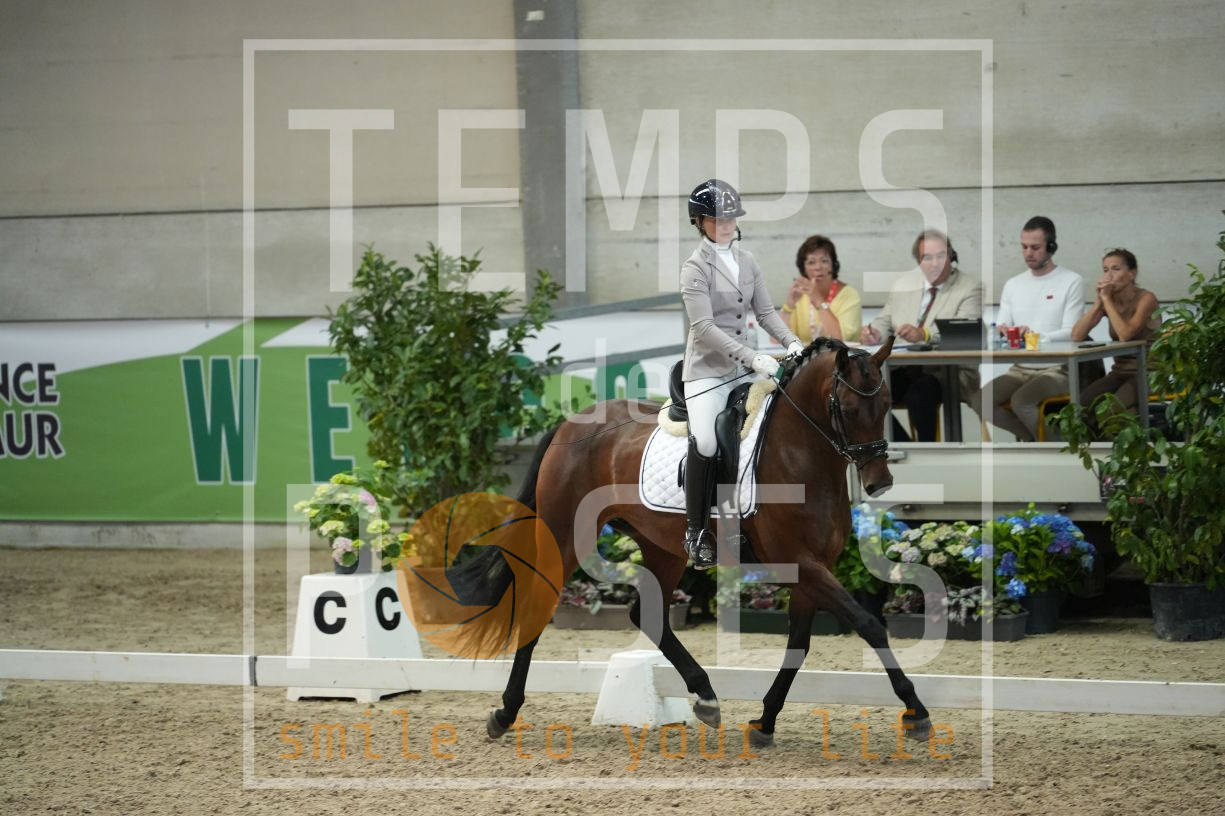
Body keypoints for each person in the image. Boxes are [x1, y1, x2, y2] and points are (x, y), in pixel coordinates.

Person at [680, 179, 803, 569]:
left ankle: (753, 521)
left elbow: (765, 313)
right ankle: (697, 532)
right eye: (718, 219)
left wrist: (793, 342)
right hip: (707, 372)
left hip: (746, 370)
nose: (726, 225)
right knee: (706, 442)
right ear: (699, 222)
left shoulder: (747, 261)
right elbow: (704, 328)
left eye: (731, 217)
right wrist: (752, 357)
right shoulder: (694, 268)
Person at [861, 229, 983, 441]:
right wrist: (875, 334)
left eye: (941, 256)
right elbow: (884, 320)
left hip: (947, 372)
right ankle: (905, 446)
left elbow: (963, 330)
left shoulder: (970, 287)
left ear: (951, 256)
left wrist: (924, 334)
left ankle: (929, 450)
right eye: (927, 257)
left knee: (919, 394)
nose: (935, 263)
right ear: (919, 261)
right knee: (867, 394)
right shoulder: (903, 285)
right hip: (904, 367)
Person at [974, 216, 1085, 441]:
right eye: (1024, 247)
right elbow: (1003, 326)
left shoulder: (1071, 281)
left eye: (1035, 247)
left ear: (1051, 247)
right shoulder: (1013, 284)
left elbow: (1072, 332)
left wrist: (1036, 336)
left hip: (1057, 369)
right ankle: (1036, 441)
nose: (1028, 253)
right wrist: (1002, 332)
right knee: (980, 401)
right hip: (1019, 368)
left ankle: (1053, 450)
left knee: (1021, 401)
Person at [1071, 249, 1160, 424]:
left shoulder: (1146, 298)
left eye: (1116, 269)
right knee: (1080, 408)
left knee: (1109, 412)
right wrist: (1098, 302)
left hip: (1148, 372)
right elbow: (1077, 335)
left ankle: (1131, 438)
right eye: (1105, 270)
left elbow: (1126, 335)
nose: (1109, 276)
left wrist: (1107, 300)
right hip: (1120, 372)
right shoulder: (1109, 301)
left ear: (1131, 274)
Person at [780, 235, 862, 342]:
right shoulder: (800, 295)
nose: (818, 267)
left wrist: (819, 301)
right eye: (811, 262)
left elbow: (839, 339)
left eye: (824, 261)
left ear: (832, 265)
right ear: (804, 269)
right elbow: (776, 340)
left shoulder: (850, 295)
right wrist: (789, 307)